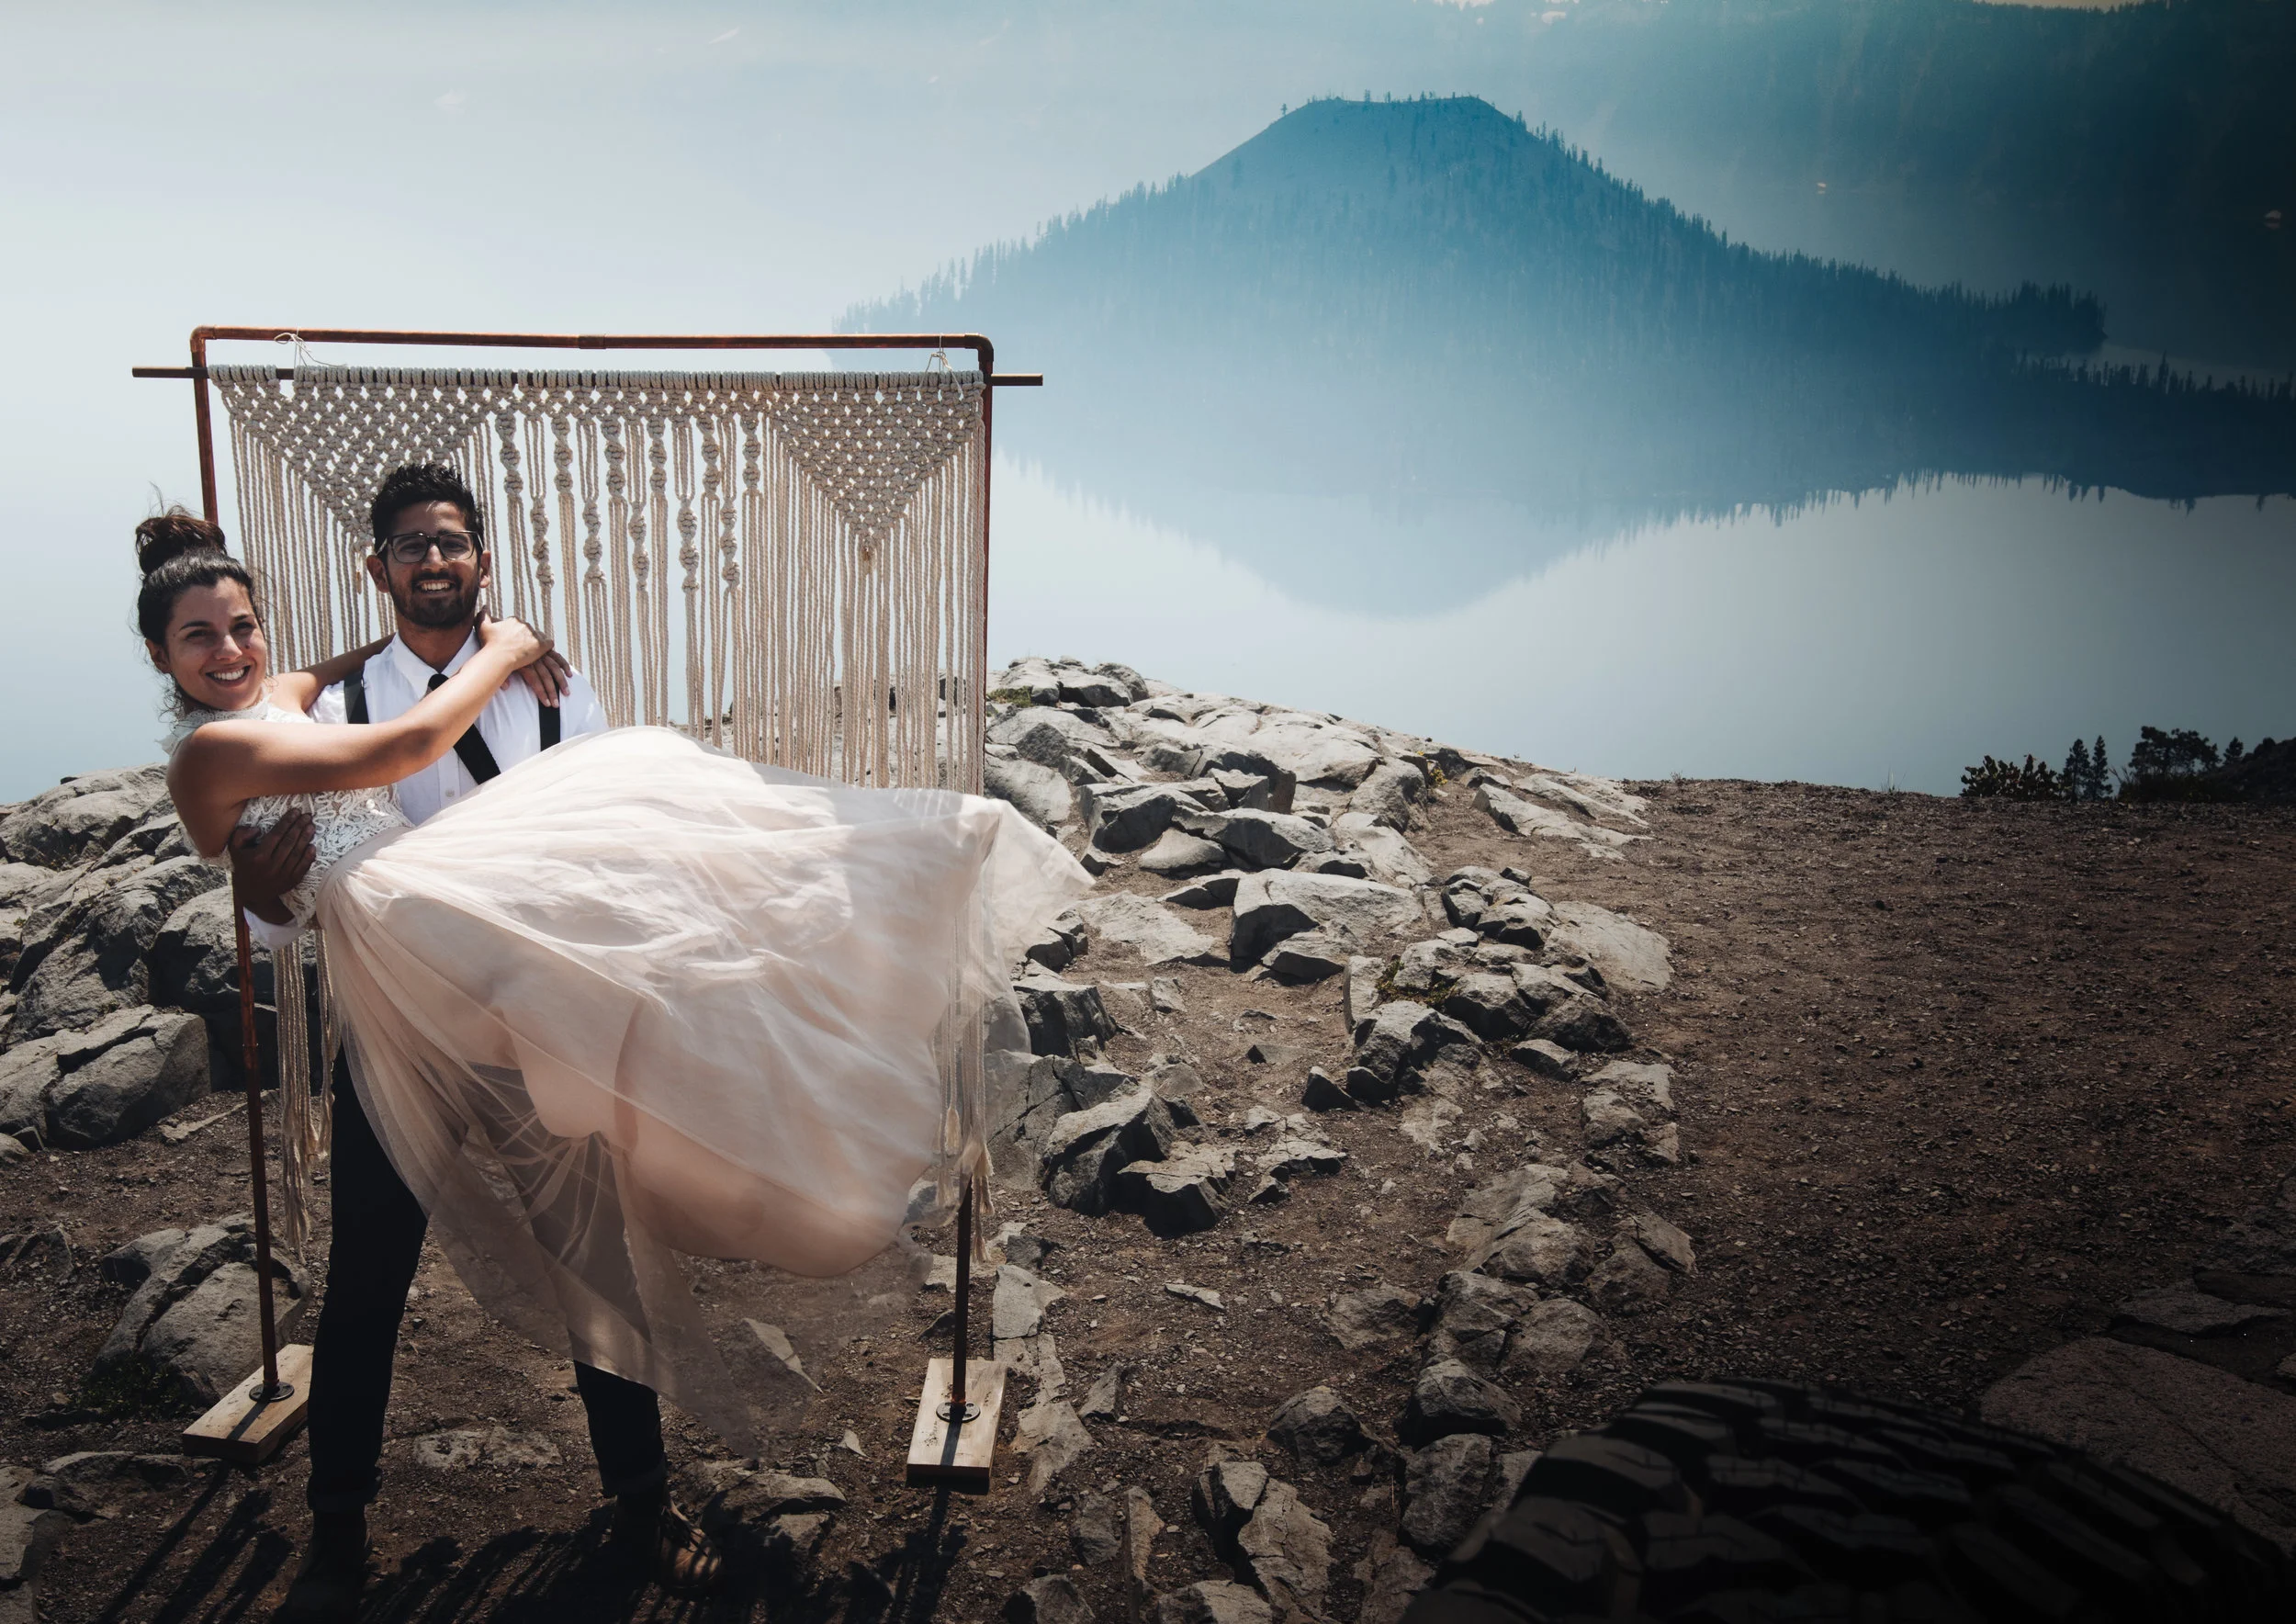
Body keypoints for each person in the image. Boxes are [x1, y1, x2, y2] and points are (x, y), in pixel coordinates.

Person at [139, 481, 1086, 1618]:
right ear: (161, 655)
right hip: (396, 1004)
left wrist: (461, 652)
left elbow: (325, 686)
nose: (231, 648)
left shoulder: (309, 693)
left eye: (241, 623)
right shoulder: (222, 751)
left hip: (517, 995)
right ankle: (338, 1525)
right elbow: (397, 753)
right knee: (367, 1280)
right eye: (199, 636)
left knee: (594, 1253)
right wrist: (501, 652)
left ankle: (642, 1503)